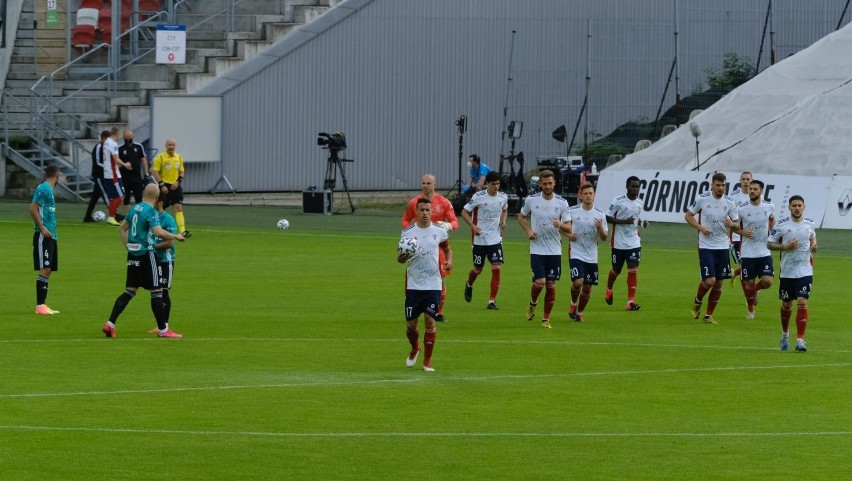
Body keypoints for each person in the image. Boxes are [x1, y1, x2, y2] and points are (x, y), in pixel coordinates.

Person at [102, 184, 186, 339]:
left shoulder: (134, 208)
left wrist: (130, 247)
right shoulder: (151, 211)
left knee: (129, 291)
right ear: (156, 196)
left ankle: (110, 323)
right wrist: (176, 236)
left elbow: (122, 229)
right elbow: (158, 232)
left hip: (133, 256)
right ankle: (163, 330)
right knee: (157, 291)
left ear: (144, 194)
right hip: (148, 255)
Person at [398, 198, 453, 372]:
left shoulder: (439, 232)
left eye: (427, 210)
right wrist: (405, 255)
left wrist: (449, 261)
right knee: (411, 326)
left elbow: (447, 248)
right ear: (416, 212)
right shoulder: (407, 233)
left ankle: (427, 361)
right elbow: (399, 259)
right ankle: (415, 348)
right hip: (413, 284)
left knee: (430, 321)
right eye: (421, 210)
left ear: (431, 211)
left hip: (433, 284)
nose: (424, 213)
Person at [517, 169, 572, 328]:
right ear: (540, 184)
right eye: (545, 183)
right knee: (540, 283)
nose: (548, 186)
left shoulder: (562, 203)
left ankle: (546, 319)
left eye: (550, 183)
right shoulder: (531, 200)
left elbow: (568, 227)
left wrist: (560, 224)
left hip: (554, 251)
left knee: (551, 285)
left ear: (554, 183)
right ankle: (533, 303)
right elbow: (521, 217)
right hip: (537, 249)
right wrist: (528, 231)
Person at [401, 174, 458, 321]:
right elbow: (405, 220)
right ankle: (412, 306)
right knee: (412, 276)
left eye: (428, 183)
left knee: (441, 278)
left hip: (436, 246)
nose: (425, 185)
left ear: (435, 185)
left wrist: (448, 226)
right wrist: (412, 238)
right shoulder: (414, 202)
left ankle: (438, 312)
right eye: (423, 183)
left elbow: (455, 222)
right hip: (417, 248)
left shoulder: (444, 202)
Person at [684, 172, 739, 324]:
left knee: (719, 284)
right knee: (709, 281)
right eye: (718, 185)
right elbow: (688, 216)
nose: (721, 188)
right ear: (712, 185)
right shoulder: (702, 199)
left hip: (722, 246)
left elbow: (737, 223)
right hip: (706, 246)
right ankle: (698, 300)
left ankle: (708, 316)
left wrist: (731, 224)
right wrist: (700, 228)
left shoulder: (729, 202)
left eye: (723, 185)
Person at [767, 195, 817, 352]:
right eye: (794, 205)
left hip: (804, 270)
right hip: (787, 272)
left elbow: (813, 237)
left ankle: (800, 340)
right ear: (789, 207)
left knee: (802, 301)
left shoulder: (810, 223)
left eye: (799, 205)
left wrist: (814, 246)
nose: (797, 208)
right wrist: (786, 246)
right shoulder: (781, 225)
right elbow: (769, 244)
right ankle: (785, 333)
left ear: (804, 207)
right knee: (787, 304)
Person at [726, 179, 775, 319]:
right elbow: (735, 226)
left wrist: (773, 232)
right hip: (748, 252)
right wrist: (742, 232)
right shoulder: (741, 209)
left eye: (755, 189)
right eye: (751, 189)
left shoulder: (769, 206)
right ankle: (751, 310)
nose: (752, 191)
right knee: (749, 284)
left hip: (764, 251)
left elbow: (772, 219)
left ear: (761, 191)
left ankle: (756, 291)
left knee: (767, 281)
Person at [461, 171, 508, 309]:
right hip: (479, 239)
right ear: (487, 184)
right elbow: (464, 212)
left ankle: (491, 301)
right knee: (477, 269)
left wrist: (503, 221)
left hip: (495, 239)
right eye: (493, 184)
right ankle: (469, 284)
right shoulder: (478, 196)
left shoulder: (503, 197)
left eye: (498, 184)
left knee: (496, 268)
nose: (496, 187)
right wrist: (473, 226)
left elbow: (505, 209)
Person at [566, 184, 608, 322]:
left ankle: (580, 312)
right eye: (585, 193)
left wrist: (600, 228)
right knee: (578, 282)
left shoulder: (600, 214)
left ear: (594, 195)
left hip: (591, 255)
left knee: (587, 288)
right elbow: (561, 225)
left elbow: (604, 237)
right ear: (580, 195)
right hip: (576, 252)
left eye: (590, 193)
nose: (588, 196)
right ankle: (573, 304)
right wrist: (568, 235)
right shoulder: (572, 211)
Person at [604, 175, 647, 311]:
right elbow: (606, 217)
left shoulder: (640, 203)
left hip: (634, 241)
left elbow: (636, 218)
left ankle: (630, 301)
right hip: (618, 242)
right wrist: (623, 222)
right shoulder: (618, 201)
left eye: (637, 186)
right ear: (627, 187)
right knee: (616, 270)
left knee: (633, 269)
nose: (635, 189)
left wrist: (642, 222)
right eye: (633, 186)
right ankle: (609, 288)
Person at [29, 165, 62, 315]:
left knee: (49, 270)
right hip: (44, 235)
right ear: (57, 175)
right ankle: (40, 306)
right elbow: (32, 208)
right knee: (45, 268)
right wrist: (42, 228)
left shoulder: (49, 189)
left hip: (51, 235)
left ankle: (42, 305)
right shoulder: (44, 188)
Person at [148, 192, 180, 335]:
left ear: (160, 203)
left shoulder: (168, 220)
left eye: (154, 200)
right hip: (154, 260)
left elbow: (169, 243)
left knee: (164, 291)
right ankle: (161, 326)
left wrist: (152, 247)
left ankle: (164, 325)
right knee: (157, 292)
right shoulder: (151, 217)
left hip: (166, 261)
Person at [151, 138, 190, 237]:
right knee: (159, 208)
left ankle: (182, 231)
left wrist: (178, 182)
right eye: (169, 145)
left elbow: (181, 171)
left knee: (178, 207)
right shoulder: (160, 157)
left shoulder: (179, 157)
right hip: (164, 186)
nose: (171, 147)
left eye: (173, 145)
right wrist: (161, 184)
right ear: (166, 146)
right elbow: (155, 171)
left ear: (175, 146)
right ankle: (153, 228)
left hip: (175, 186)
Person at [117, 129, 149, 221]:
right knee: (126, 197)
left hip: (137, 177)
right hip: (124, 178)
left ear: (133, 137)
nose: (128, 140)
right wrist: (124, 165)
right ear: (124, 138)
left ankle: (139, 217)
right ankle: (128, 217)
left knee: (139, 198)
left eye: (130, 138)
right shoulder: (120, 148)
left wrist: (146, 173)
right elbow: (117, 161)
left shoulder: (138, 147)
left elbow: (143, 160)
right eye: (126, 138)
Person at [103, 127, 131, 226]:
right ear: (117, 134)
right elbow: (116, 160)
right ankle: (111, 217)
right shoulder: (113, 143)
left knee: (114, 197)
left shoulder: (106, 141)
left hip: (108, 173)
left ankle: (112, 216)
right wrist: (125, 165)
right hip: (113, 174)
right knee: (119, 197)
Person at [727, 171, 752, 283]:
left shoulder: (757, 195)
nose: (746, 181)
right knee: (744, 265)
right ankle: (750, 297)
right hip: (737, 236)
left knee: (749, 265)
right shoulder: (732, 196)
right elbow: (727, 216)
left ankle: (733, 273)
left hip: (751, 236)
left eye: (748, 179)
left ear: (751, 180)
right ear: (740, 181)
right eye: (744, 179)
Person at [83, 130, 110, 222]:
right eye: (107, 139)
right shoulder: (99, 147)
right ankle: (114, 215)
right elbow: (98, 162)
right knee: (106, 193)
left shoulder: (105, 148)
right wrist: (108, 167)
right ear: (103, 138)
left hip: (103, 174)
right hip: (98, 175)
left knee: (95, 197)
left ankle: (87, 217)